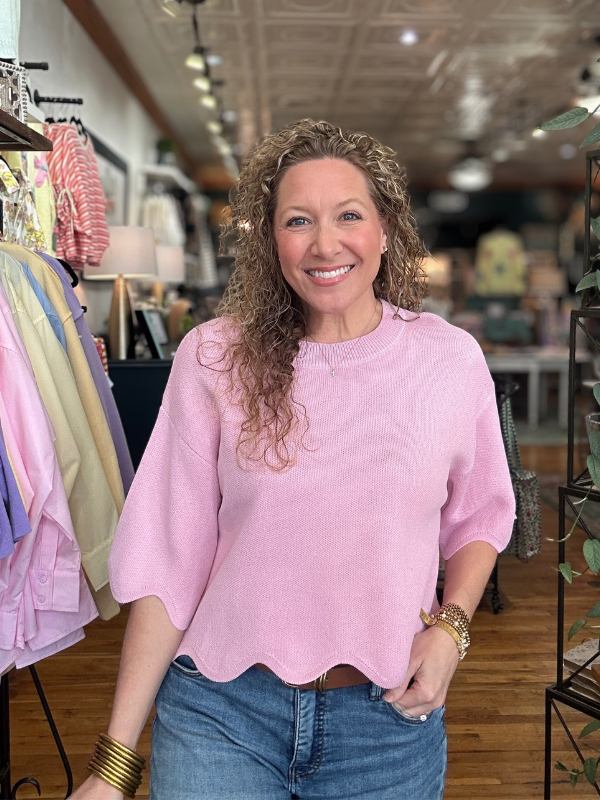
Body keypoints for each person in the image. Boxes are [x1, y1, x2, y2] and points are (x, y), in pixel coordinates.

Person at [71, 119, 515, 800]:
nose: (324, 243)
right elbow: (169, 559)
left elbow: (481, 514)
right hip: (220, 716)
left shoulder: (447, 360)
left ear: (386, 227)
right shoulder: (214, 358)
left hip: (388, 720)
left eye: (348, 215)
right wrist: (113, 763)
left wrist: (452, 628)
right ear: (269, 239)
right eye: (298, 220)